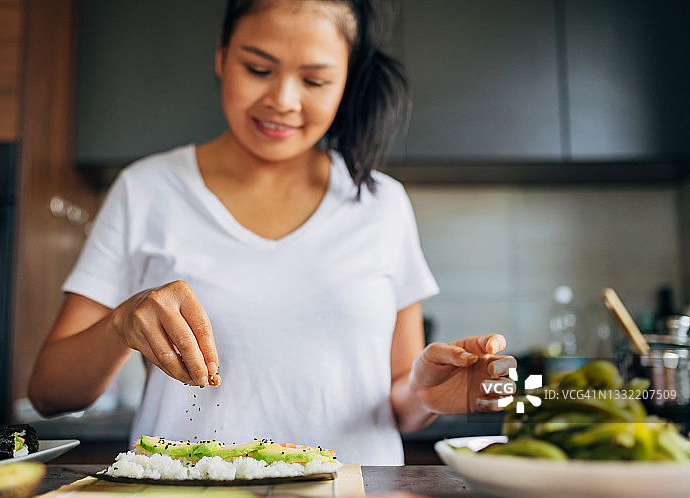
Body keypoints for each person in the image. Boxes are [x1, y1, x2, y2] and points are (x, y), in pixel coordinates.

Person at [28, 0, 516, 466]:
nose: (283, 100)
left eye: (315, 80)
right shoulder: (146, 190)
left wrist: (425, 392)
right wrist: (122, 323)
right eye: (258, 70)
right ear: (222, 55)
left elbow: (398, 398)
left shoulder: (381, 203)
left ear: (346, 80)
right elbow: (50, 394)